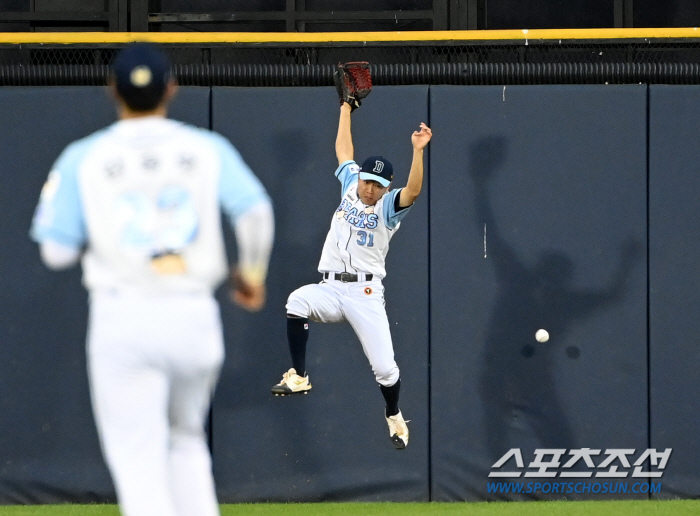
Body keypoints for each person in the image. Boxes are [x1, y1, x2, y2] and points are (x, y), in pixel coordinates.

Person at [30, 43, 274, 516]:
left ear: (111, 90)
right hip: (191, 314)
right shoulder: (206, 149)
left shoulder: (84, 157)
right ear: (172, 88)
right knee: (187, 446)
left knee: (139, 462)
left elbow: (56, 252)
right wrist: (252, 274)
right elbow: (256, 211)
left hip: (123, 315)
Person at [271, 98, 432, 450]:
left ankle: (393, 415)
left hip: (365, 295)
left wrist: (418, 152)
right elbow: (344, 150)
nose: (370, 188)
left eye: (377, 184)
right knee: (297, 300)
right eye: (367, 181)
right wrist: (346, 108)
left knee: (386, 371)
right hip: (329, 288)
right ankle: (299, 375)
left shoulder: (389, 208)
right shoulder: (350, 185)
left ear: (386, 187)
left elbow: (415, 190)